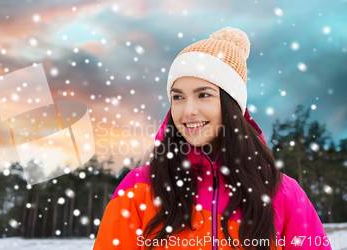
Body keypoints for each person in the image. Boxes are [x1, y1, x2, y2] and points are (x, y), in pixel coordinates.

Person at [93, 27, 331, 250]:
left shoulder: (282, 193)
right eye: (178, 97)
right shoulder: (140, 187)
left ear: (232, 105)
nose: (188, 111)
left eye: (203, 95)